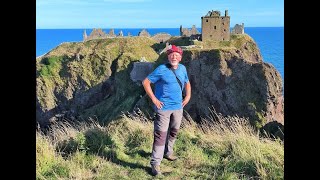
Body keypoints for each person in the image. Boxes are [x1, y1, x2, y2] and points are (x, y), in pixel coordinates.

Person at [142, 45, 191, 176]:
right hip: (163, 108)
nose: (174, 57)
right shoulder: (161, 69)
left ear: (180, 57)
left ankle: (168, 152)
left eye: (177, 55)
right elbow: (146, 82)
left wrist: (188, 95)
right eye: (171, 55)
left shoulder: (182, 68)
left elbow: (187, 82)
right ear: (168, 56)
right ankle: (155, 163)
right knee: (160, 135)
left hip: (178, 107)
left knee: (174, 131)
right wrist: (154, 99)